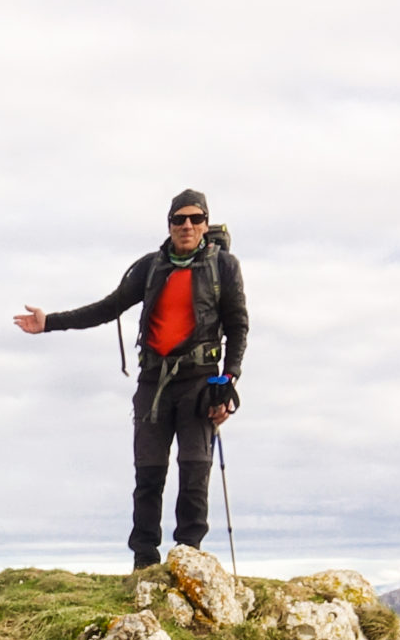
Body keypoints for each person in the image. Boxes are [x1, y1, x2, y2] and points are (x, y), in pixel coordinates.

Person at [14, 189, 248, 569]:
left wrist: (229, 378)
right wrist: (50, 323)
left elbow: (238, 326)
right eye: (179, 219)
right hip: (153, 383)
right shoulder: (151, 267)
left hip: (200, 383)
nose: (187, 226)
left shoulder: (224, 267)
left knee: (194, 470)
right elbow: (109, 307)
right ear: (169, 224)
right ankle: (144, 560)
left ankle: (187, 556)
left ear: (206, 223)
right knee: (149, 473)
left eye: (195, 219)